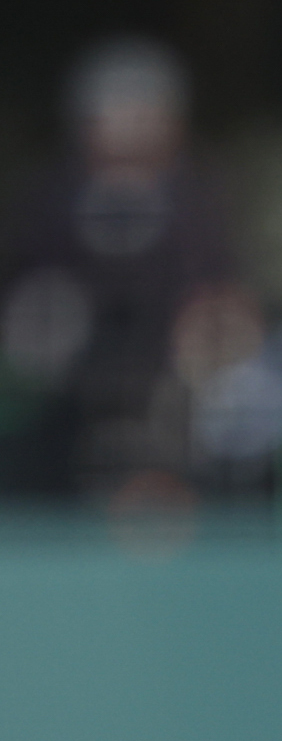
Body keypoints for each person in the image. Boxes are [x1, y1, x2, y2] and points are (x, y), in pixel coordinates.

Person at [0, 39, 265, 510]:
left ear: (173, 125)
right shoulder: (50, 201)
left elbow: (223, 292)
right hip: (67, 389)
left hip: (178, 385)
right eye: (114, 116)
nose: (129, 133)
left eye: (143, 115)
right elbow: (27, 297)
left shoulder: (200, 202)